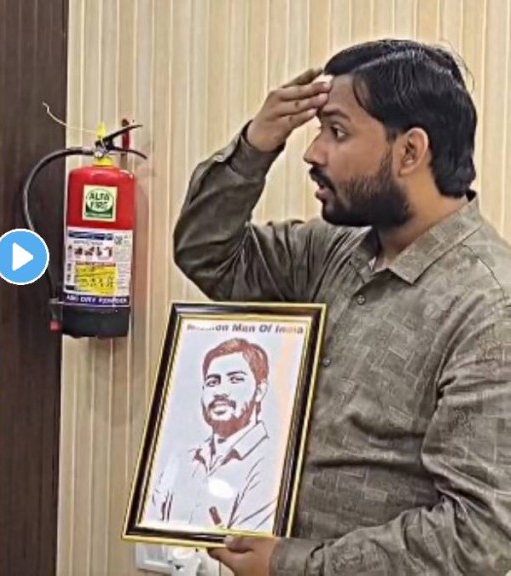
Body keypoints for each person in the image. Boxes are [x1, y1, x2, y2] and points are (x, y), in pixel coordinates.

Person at [174, 39, 511, 575]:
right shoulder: (333, 250)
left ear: (410, 151)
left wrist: (294, 565)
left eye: (336, 131)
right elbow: (207, 253)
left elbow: (478, 537)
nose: (313, 153)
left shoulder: (489, 307)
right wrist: (255, 147)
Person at [149, 338, 276, 532]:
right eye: (213, 382)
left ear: (260, 390)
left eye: (235, 380)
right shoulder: (181, 460)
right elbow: (150, 528)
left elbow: (245, 545)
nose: (220, 392)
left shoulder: (272, 466)